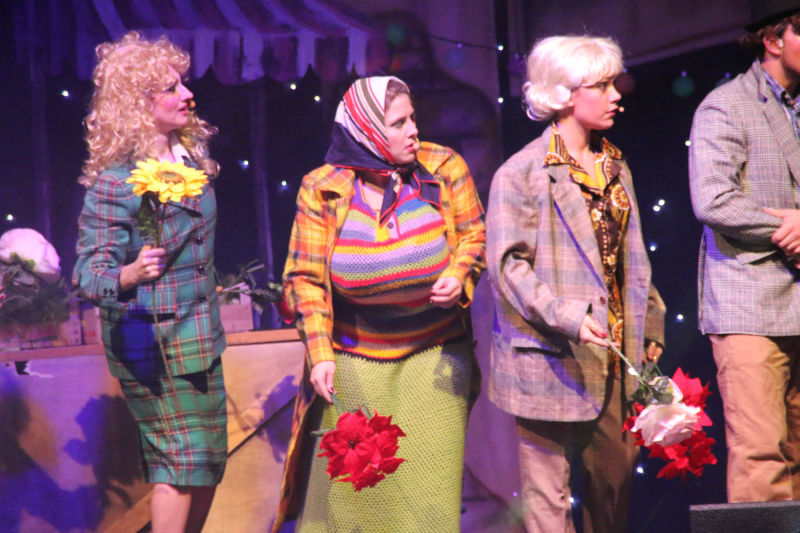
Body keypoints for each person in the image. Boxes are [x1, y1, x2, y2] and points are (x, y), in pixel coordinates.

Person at [274, 76, 486, 532]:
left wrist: (458, 274)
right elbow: (303, 279)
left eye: (413, 118)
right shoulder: (322, 187)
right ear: (367, 130)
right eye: (398, 123)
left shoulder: (443, 166)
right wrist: (320, 354)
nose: (414, 130)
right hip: (354, 361)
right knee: (355, 499)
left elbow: (473, 234)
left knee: (428, 501)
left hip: (435, 356)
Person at [486, 35, 665, 533]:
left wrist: (650, 323)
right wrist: (570, 317)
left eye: (614, 83)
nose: (616, 95)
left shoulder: (616, 167)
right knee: (548, 500)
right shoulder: (521, 173)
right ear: (564, 94)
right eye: (601, 85)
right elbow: (508, 268)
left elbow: (631, 257)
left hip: (613, 353)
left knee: (613, 489)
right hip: (549, 354)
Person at [73, 32, 226, 533]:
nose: (187, 94)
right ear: (138, 103)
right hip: (151, 345)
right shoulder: (116, 183)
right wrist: (131, 273)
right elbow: (89, 275)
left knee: (207, 464)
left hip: (200, 336)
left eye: (182, 83)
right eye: (170, 88)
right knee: (179, 464)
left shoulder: (190, 161)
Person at [689, 1, 800, 503]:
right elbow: (714, 200)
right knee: (762, 457)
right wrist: (790, 228)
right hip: (750, 301)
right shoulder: (725, 106)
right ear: (772, 40)